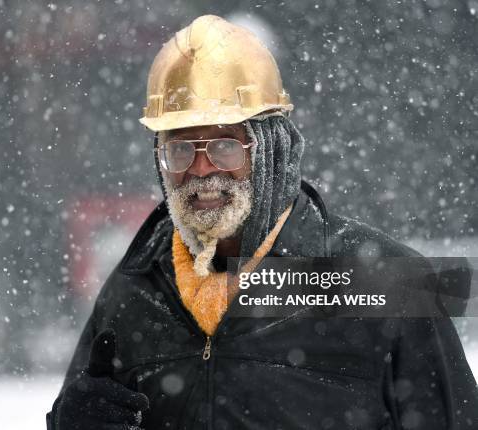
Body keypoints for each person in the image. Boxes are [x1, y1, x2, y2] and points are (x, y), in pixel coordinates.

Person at [47, 15, 478, 429]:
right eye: (179, 149)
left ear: (273, 146)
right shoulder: (136, 288)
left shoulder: (386, 282)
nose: (200, 170)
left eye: (224, 146)